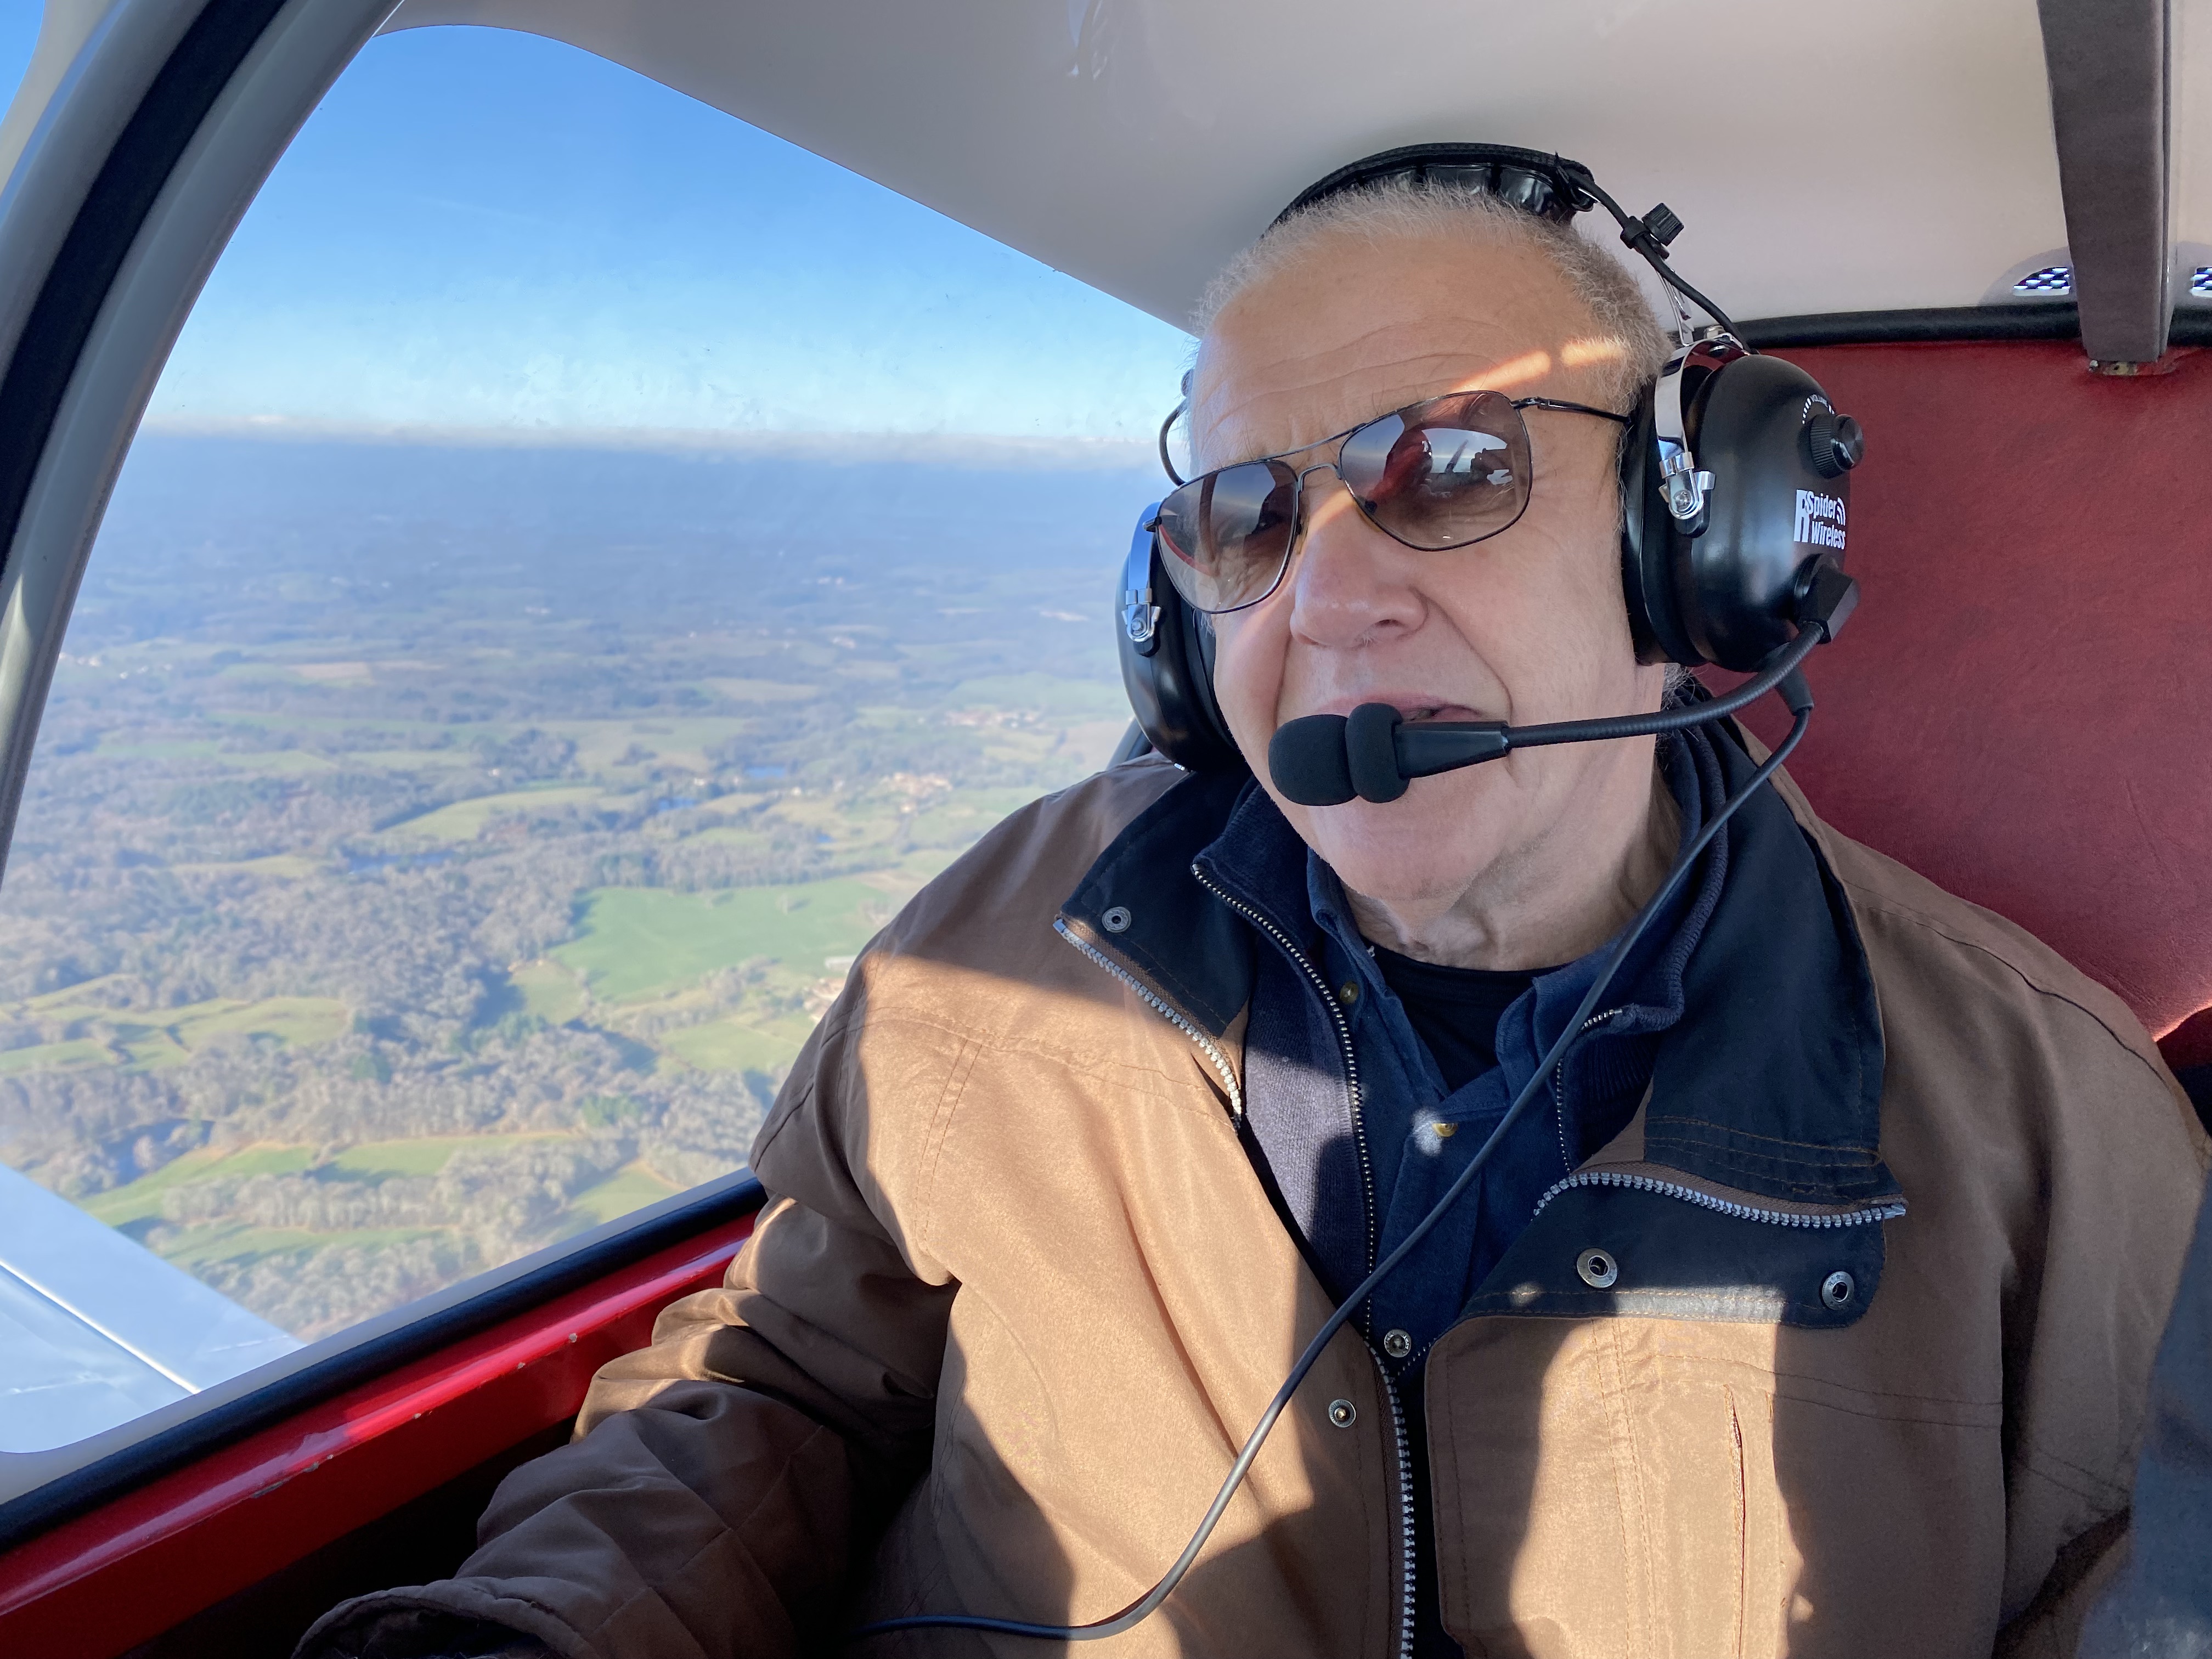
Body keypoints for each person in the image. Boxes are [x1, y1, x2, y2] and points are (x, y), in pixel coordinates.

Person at [301, 172, 2211, 1659]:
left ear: (1687, 545)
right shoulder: (1005, 937)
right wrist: (541, 1629)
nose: (1331, 596)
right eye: (1246, 517)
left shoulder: (2050, 1129)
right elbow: (786, 1380)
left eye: (1449, 469)